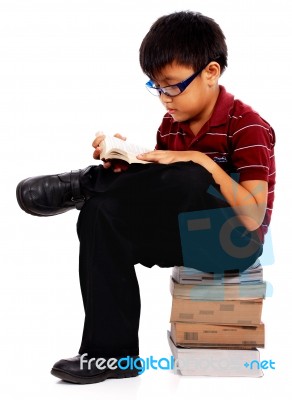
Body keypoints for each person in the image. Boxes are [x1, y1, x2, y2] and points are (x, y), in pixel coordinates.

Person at [16, 11, 276, 384]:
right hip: (189, 234)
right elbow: (158, 199)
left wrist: (200, 161)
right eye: (155, 87)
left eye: (172, 86)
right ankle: (111, 356)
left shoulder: (248, 125)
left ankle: (84, 184)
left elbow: (252, 215)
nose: (163, 98)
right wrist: (124, 163)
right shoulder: (170, 126)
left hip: (233, 242)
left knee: (191, 175)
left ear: (211, 72)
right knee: (100, 213)